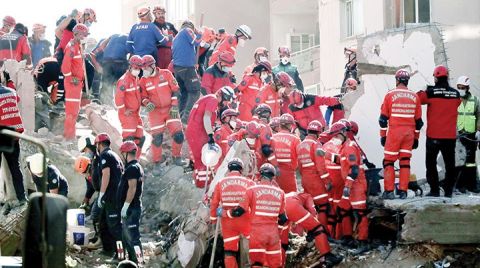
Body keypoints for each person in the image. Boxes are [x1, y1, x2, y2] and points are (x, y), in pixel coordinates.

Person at [228, 163, 286, 268]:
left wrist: (225, 213)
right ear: (273, 177)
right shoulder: (281, 193)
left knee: (257, 264)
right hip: (273, 235)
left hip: (257, 234)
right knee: (276, 265)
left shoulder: (251, 190)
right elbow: (283, 218)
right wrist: (278, 232)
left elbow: (238, 212)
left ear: (260, 175)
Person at [417, 65, 461, 197]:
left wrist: (426, 89)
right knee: (450, 165)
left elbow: (418, 99)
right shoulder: (455, 94)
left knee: (430, 164)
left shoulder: (430, 92)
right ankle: (448, 192)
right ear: (447, 77)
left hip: (434, 136)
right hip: (449, 137)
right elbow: (457, 103)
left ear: (436, 78)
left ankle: (435, 190)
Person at [379, 69, 423, 199]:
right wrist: (416, 138)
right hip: (409, 134)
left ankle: (389, 191)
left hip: (394, 133)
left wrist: (383, 136)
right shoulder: (415, 96)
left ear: (397, 80)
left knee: (388, 162)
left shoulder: (390, 94)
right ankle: (403, 191)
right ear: (407, 81)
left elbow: (382, 119)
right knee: (405, 162)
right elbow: (419, 122)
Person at [185, 86, 235, 188]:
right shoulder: (213, 100)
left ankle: (199, 184)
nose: (226, 104)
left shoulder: (207, 99)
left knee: (199, 160)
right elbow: (206, 117)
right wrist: (210, 135)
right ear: (222, 96)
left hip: (194, 132)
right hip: (198, 133)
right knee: (203, 161)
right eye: (226, 101)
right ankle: (202, 187)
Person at [139, 55, 184, 167]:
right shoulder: (143, 80)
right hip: (155, 113)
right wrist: (146, 103)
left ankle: (176, 156)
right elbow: (142, 97)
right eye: (142, 69)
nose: (144, 71)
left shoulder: (166, 74)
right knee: (157, 139)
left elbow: (176, 90)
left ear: (153, 65)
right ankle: (157, 163)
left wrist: (174, 106)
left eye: (146, 68)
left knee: (179, 135)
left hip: (170, 109)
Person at [330, 122, 369, 252]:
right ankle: (348, 238)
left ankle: (363, 242)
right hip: (351, 185)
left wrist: (347, 187)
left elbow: (354, 169)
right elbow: (341, 160)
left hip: (356, 185)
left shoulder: (350, 147)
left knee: (360, 213)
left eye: (335, 136)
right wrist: (325, 155)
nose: (334, 139)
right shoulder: (344, 147)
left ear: (343, 133)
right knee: (343, 209)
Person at [210, 158, 254, 268]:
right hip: (246, 220)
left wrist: (213, 219)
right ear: (241, 169)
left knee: (230, 251)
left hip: (228, 223)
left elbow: (214, 203)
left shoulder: (220, 183)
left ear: (229, 169)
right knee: (252, 246)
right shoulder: (249, 182)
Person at [279, 192, 343, 267]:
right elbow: (312, 210)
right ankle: (327, 256)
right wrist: (311, 230)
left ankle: (280, 265)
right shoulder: (308, 196)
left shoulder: (293, 194)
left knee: (283, 243)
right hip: (292, 206)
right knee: (318, 228)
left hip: (279, 208)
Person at [95, 133, 125, 260]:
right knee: (104, 223)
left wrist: (101, 194)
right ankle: (108, 249)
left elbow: (106, 174)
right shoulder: (115, 156)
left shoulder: (105, 155)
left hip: (112, 197)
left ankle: (121, 255)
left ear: (99, 144)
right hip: (115, 195)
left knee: (115, 228)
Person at [296, 120, 331, 227]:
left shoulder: (300, 145)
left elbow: (300, 166)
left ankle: (313, 231)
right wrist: (327, 181)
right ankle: (323, 233)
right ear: (318, 132)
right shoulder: (316, 144)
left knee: (312, 206)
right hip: (316, 180)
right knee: (323, 206)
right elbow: (321, 166)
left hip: (305, 180)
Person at [117, 141, 144, 264]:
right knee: (127, 237)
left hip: (131, 208)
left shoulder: (132, 168)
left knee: (133, 238)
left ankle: (138, 263)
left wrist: (126, 206)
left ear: (126, 153)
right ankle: (132, 262)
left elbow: (132, 188)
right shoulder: (135, 167)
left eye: (122, 154)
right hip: (131, 208)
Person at [61, 23, 89, 140]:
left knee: (75, 111)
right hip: (73, 84)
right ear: (76, 34)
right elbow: (65, 67)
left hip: (77, 84)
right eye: (84, 35)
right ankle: (69, 137)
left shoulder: (78, 46)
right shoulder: (72, 47)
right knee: (71, 112)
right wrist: (71, 78)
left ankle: (70, 134)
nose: (85, 37)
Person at [0, 82, 26, 203]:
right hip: (14, 134)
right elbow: (18, 99)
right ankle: (22, 198)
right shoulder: (11, 91)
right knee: (15, 167)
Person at [172, 20, 202, 123]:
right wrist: (199, 34)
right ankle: (186, 118)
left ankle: (180, 117)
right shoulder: (187, 30)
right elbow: (196, 41)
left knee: (184, 93)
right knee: (195, 91)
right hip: (187, 68)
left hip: (178, 69)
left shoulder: (177, 37)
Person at [115, 55, 145, 159]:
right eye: (136, 68)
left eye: (139, 68)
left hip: (136, 114)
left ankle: (135, 161)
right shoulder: (124, 80)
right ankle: (126, 163)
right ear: (130, 67)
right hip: (128, 115)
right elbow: (118, 98)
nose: (137, 70)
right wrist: (124, 110)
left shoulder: (135, 79)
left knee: (140, 139)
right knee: (129, 140)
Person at [77, 135, 103, 248]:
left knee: (96, 213)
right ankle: (98, 236)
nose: (86, 153)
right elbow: (91, 187)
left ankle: (102, 240)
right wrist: (86, 200)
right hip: (101, 192)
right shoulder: (87, 164)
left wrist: (102, 195)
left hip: (107, 192)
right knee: (93, 212)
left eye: (86, 150)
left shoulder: (100, 160)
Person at [455, 75, 480, 193]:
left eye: (463, 87)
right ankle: (460, 185)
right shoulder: (454, 100)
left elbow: (479, 116)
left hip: (471, 135)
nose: (460, 89)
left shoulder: (475, 100)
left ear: (468, 87)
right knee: (459, 161)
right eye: (459, 87)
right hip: (458, 135)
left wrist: (479, 131)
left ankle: (472, 185)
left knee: (470, 161)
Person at [271, 113, 301, 193]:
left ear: (280, 125)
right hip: (289, 175)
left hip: (273, 173)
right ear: (291, 126)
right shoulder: (295, 139)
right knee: (291, 198)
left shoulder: (272, 138)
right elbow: (301, 157)